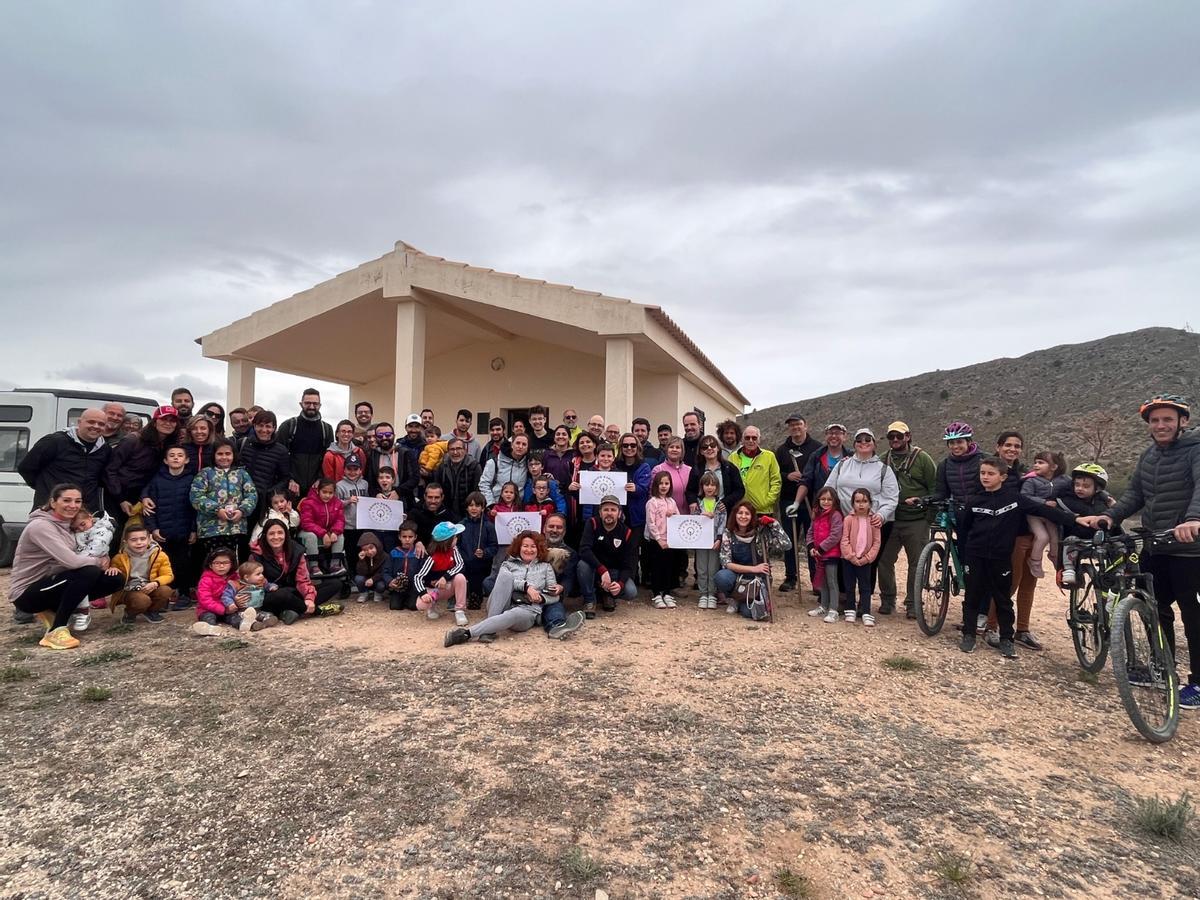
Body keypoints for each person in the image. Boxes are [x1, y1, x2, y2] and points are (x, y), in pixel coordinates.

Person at [1082, 395, 1200, 709]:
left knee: (1193, 615)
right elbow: (1135, 493)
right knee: (1155, 609)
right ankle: (1164, 669)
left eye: (1167, 420)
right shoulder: (1148, 456)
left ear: (1182, 422)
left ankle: (1198, 682)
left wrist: (1193, 519)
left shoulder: (1196, 450)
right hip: (1156, 543)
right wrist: (1112, 516)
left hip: (1190, 548)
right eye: (1155, 421)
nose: (1160, 425)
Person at [959, 456, 1079, 656]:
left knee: (1003, 598)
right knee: (972, 596)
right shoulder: (974, 500)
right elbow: (964, 529)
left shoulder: (1015, 499)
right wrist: (966, 556)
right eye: (982, 473)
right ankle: (968, 635)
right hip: (976, 556)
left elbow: (1043, 511)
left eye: (991, 473)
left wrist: (1077, 519)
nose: (985, 477)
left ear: (1003, 477)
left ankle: (1007, 638)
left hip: (1001, 557)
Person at [9, 484, 125, 649]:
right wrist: (99, 562)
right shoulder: (41, 527)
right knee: (88, 571)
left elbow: (88, 549)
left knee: (115, 579)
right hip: (28, 593)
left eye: (77, 501)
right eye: (67, 500)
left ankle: (55, 609)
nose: (73, 505)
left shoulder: (72, 524)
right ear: (53, 502)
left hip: (55, 581)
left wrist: (105, 557)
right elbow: (73, 562)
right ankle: (56, 630)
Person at [443, 530, 586, 646]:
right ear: (519, 547)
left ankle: (466, 634)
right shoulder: (508, 564)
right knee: (505, 576)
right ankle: (489, 628)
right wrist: (526, 586)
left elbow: (554, 595)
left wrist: (542, 597)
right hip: (502, 603)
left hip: (527, 610)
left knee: (511, 615)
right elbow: (506, 581)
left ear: (539, 549)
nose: (529, 549)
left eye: (533, 546)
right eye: (525, 546)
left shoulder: (546, 567)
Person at [823, 428, 899, 596]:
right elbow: (829, 488)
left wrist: (881, 515)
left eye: (867, 440)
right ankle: (844, 598)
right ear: (854, 444)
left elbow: (891, 497)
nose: (863, 443)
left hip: (873, 522)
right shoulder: (843, 465)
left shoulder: (884, 470)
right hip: (844, 520)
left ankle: (864, 602)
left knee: (868, 561)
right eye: (859, 440)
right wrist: (829, 511)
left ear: (874, 444)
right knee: (844, 557)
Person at [876, 421, 937, 618]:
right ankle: (887, 599)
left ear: (908, 436)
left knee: (916, 564)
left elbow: (935, 488)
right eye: (891, 436)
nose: (895, 440)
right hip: (891, 520)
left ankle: (912, 603)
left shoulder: (923, 459)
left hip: (917, 520)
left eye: (899, 436)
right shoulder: (882, 460)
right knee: (884, 561)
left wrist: (927, 514)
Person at [104, 405, 180, 539]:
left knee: (137, 540)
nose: (168, 423)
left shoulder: (169, 446)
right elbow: (110, 470)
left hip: (141, 500)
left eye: (172, 420)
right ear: (155, 421)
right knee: (113, 537)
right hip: (117, 498)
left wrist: (144, 497)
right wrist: (120, 499)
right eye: (164, 419)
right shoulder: (133, 440)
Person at [250, 519, 343, 624]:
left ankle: (291, 611)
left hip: (294, 592)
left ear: (286, 535)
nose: (276, 537)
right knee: (282, 594)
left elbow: (302, 579)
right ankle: (316, 611)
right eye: (271, 533)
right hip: (271, 595)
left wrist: (309, 598)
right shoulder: (256, 555)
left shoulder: (296, 550)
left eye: (280, 533)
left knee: (335, 583)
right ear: (265, 535)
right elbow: (257, 583)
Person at [18, 408, 111, 511]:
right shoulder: (54, 441)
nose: (96, 426)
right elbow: (26, 468)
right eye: (91, 422)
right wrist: (46, 489)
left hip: (84, 514)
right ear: (79, 422)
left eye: (101, 424)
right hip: (52, 510)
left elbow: (101, 479)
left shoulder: (105, 449)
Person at [714, 501, 791, 618]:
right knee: (721, 577)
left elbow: (786, 545)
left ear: (752, 516)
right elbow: (726, 563)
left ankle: (745, 602)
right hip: (737, 576)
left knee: (750, 613)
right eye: (740, 513)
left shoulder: (761, 533)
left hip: (758, 579)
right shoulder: (728, 533)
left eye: (747, 514)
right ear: (735, 515)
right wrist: (754, 568)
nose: (743, 516)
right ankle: (735, 598)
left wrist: (774, 524)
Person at [775, 413, 824, 593]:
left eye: (799, 424)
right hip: (789, 500)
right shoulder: (782, 450)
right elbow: (774, 474)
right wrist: (787, 476)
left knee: (813, 541)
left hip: (811, 502)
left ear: (806, 426)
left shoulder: (817, 448)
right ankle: (790, 577)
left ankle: (815, 580)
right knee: (789, 540)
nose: (795, 427)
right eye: (792, 425)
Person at [142, 445, 198, 601]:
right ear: (166, 460)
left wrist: (194, 530)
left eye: (180, 455)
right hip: (163, 532)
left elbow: (196, 509)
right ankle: (167, 595)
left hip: (184, 531)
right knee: (165, 564)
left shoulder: (192, 480)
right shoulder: (157, 481)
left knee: (184, 563)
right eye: (171, 455)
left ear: (186, 460)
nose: (175, 458)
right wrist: (152, 528)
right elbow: (149, 508)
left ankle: (185, 594)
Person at [189, 438, 258, 564]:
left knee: (233, 563)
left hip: (237, 528)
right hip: (210, 529)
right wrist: (217, 510)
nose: (224, 457)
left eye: (228, 454)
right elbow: (196, 497)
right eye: (220, 454)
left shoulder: (242, 474)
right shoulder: (205, 473)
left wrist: (242, 511)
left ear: (233, 455)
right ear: (214, 455)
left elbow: (251, 495)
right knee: (213, 563)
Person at [577, 495, 639, 618]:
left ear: (619, 513)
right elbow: (584, 550)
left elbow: (629, 564)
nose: (609, 513)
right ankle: (590, 600)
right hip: (595, 569)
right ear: (600, 512)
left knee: (631, 592)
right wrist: (602, 570)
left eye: (613, 510)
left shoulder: (626, 532)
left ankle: (608, 595)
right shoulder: (592, 523)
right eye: (606, 510)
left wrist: (620, 583)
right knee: (582, 565)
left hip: (614, 572)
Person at [1057, 463, 1117, 586]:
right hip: (1078, 538)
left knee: (1119, 544)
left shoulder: (1104, 502)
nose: (1080, 488)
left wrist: (1114, 508)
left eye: (1086, 486)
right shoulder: (1067, 500)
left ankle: (1118, 571)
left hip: (1101, 539)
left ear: (1097, 489)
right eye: (1077, 485)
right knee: (1070, 541)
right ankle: (1069, 569)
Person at [109, 524, 174, 624]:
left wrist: (156, 583)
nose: (139, 543)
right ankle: (130, 613)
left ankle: (151, 611)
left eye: (142, 539)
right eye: (133, 540)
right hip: (130, 590)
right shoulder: (119, 558)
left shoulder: (159, 555)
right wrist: (112, 569)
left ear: (149, 539)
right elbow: (115, 576)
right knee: (142, 601)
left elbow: (168, 575)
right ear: (125, 542)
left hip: (150, 585)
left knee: (166, 591)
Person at [276, 388, 334, 499]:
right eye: (308, 403)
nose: (311, 406)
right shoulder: (288, 426)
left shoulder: (326, 429)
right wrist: (289, 479)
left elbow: (327, 458)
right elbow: (279, 457)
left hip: (316, 489)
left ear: (320, 405)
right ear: (301, 404)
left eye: (315, 403)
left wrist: (320, 479)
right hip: (291, 488)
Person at [237, 410, 292, 518]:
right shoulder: (242, 444)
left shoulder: (281, 451)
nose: (264, 430)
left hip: (263, 503)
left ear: (274, 428)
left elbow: (285, 478)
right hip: (240, 499)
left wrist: (268, 493)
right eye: (260, 426)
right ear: (254, 426)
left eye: (268, 426)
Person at [840, 488, 882, 626]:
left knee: (865, 587)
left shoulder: (874, 520)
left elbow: (877, 542)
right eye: (857, 501)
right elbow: (844, 539)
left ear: (870, 503)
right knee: (849, 585)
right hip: (849, 559)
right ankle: (850, 609)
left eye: (864, 501)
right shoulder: (848, 519)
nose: (861, 505)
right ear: (853, 503)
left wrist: (867, 558)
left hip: (865, 560)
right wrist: (851, 556)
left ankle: (866, 612)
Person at [1021, 450, 1066, 578]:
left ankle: (1054, 556)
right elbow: (1024, 496)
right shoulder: (1031, 480)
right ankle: (1034, 561)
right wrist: (1043, 502)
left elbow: (1074, 488)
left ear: (1054, 467)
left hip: (1050, 515)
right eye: (1035, 462)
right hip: (1034, 514)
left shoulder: (1063, 480)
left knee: (1055, 537)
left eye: (1041, 463)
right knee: (1042, 537)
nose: (1036, 465)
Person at [414, 521, 469, 626]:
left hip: (448, 586)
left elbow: (460, 565)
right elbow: (418, 577)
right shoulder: (431, 557)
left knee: (460, 577)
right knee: (421, 605)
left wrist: (445, 577)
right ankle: (431, 607)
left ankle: (460, 610)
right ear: (448, 541)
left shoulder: (454, 550)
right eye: (455, 537)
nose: (457, 539)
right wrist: (423, 593)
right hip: (434, 589)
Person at [645, 471, 681, 609]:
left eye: (666, 483)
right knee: (656, 567)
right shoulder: (652, 502)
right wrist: (658, 539)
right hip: (656, 541)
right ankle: (656, 594)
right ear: (656, 485)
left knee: (668, 567)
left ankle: (667, 592)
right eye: (661, 483)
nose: (664, 486)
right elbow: (650, 522)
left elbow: (678, 519)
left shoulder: (672, 501)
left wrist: (673, 514)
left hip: (670, 540)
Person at [808, 487, 844, 622]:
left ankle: (833, 609)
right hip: (819, 553)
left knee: (832, 581)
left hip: (831, 554)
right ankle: (823, 605)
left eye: (829, 499)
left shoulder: (836, 515)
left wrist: (821, 548)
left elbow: (835, 535)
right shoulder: (816, 514)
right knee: (823, 581)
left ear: (834, 500)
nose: (826, 502)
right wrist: (811, 546)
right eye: (823, 499)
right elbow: (810, 531)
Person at [729, 426, 782, 516]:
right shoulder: (733, 457)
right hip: (740, 510)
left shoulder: (769, 456)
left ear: (759, 440)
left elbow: (776, 481)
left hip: (762, 510)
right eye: (747, 438)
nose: (750, 440)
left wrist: (767, 501)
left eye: (754, 438)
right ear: (742, 440)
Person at [298, 479, 347, 576]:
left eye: (330, 493)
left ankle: (335, 565)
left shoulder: (337, 503)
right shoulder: (308, 502)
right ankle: (313, 566)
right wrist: (323, 533)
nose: (327, 495)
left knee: (340, 535)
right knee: (311, 536)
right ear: (318, 491)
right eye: (324, 492)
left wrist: (334, 532)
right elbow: (306, 523)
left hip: (328, 532)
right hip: (308, 531)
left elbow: (340, 520)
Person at [694, 472, 728, 610]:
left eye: (713, 485)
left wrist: (719, 538)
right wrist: (700, 515)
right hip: (700, 541)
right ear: (702, 486)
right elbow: (692, 520)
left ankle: (712, 594)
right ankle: (703, 594)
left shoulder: (720, 505)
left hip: (714, 541)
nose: (709, 487)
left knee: (712, 568)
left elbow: (723, 523)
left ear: (717, 487)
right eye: (707, 484)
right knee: (702, 569)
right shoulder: (697, 504)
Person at [685, 436, 745, 513]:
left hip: (725, 512)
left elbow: (740, 490)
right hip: (703, 513)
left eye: (713, 446)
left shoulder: (729, 468)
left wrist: (726, 502)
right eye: (705, 447)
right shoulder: (696, 469)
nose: (709, 448)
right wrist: (692, 502)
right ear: (701, 452)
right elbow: (690, 491)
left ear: (718, 448)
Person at [365, 422, 419, 504]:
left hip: (403, 500)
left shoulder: (406, 453)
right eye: (380, 435)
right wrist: (376, 494)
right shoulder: (372, 455)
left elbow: (415, 478)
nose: (384, 438)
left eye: (387, 434)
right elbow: (369, 480)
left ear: (394, 435)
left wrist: (398, 492)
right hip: (379, 500)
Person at [459, 491, 498, 606]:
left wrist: (484, 553)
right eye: (471, 505)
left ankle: (475, 596)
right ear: (467, 508)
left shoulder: (488, 526)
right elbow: (456, 545)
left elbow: (494, 546)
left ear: (483, 508)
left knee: (477, 572)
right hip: (464, 561)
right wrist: (462, 556)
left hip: (481, 564)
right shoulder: (461, 525)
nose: (474, 508)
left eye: (477, 505)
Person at [432, 437, 484, 520]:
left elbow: (477, 491)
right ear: (448, 451)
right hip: (446, 512)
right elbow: (437, 488)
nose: (455, 452)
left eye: (458, 448)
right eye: (452, 449)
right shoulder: (442, 467)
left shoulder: (474, 466)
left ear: (465, 450)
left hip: (468, 513)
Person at [480, 434, 530, 505]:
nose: (520, 447)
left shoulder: (528, 464)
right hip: (496, 508)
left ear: (527, 448)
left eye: (524, 444)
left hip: (518, 509)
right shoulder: (494, 462)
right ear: (512, 445)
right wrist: (491, 504)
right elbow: (484, 484)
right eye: (517, 443)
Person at [384, 521, 422, 610]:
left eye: (410, 537)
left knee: (413, 606)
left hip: (414, 586)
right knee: (395, 607)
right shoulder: (394, 553)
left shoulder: (419, 553)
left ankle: (411, 600)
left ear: (415, 537)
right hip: (398, 587)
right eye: (404, 537)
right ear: (399, 537)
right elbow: (385, 571)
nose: (407, 539)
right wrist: (390, 581)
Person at [323, 419, 367, 484]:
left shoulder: (359, 452)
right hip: (338, 491)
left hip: (355, 491)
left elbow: (362, 472)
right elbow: (329, 479)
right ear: (337, 434)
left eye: (349, 432)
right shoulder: (329, 455)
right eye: (343, 431)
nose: (346, 434)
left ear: (352, 435)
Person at [353, 532, 386, 602]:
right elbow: (360, 572)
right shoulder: (363, 557)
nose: (369, 552)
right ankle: (364, 593)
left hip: (378, 580)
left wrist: (373, 579)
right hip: (366, 580)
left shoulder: (385, 556)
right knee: (358, 578)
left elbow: (384, 572)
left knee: (381, 585)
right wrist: (361, 561)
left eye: (371, 548)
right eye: (365, 550)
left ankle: (378, 593)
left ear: (377, 546)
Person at [543, 426, 577, 492]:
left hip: (570, 493)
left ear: (569, 437)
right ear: (554, 438)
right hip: (551, 492)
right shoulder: (547, 454)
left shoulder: (574, 454)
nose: (561, 436)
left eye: (564, 434)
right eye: (558, 434)